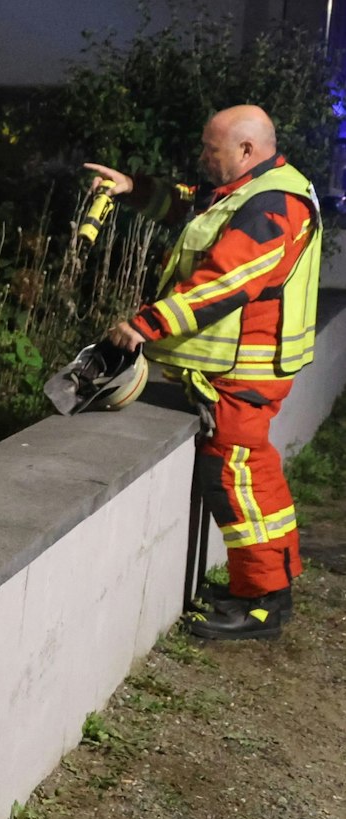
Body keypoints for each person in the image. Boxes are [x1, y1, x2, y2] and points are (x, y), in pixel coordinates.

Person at [85, 105, 321, 642]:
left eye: (210, 150)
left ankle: (259, 604)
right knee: (248, 475)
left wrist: (147, 324)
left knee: (239, 478)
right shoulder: (252, 191)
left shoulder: (273, 204)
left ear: (245, 150)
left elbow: (228, 279)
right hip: (237, 367)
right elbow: (194, 207)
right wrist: (135, 189)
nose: (202, 157)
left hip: (246, 368)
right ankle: (265, 589)